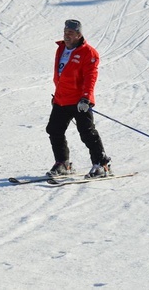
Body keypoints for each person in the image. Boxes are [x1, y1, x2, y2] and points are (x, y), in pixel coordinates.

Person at [46, 19, 111, 178]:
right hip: (61, 99)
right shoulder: (61, 48)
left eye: (70, 33)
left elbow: (91, 77)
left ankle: (101, 164)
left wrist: (86, 98)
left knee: (87, 132)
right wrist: (57, 95)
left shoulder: (88, 52)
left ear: (79, 35)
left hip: (79, 101)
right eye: (65, 32)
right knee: (54, 130)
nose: (66, 36)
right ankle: (63, 163)